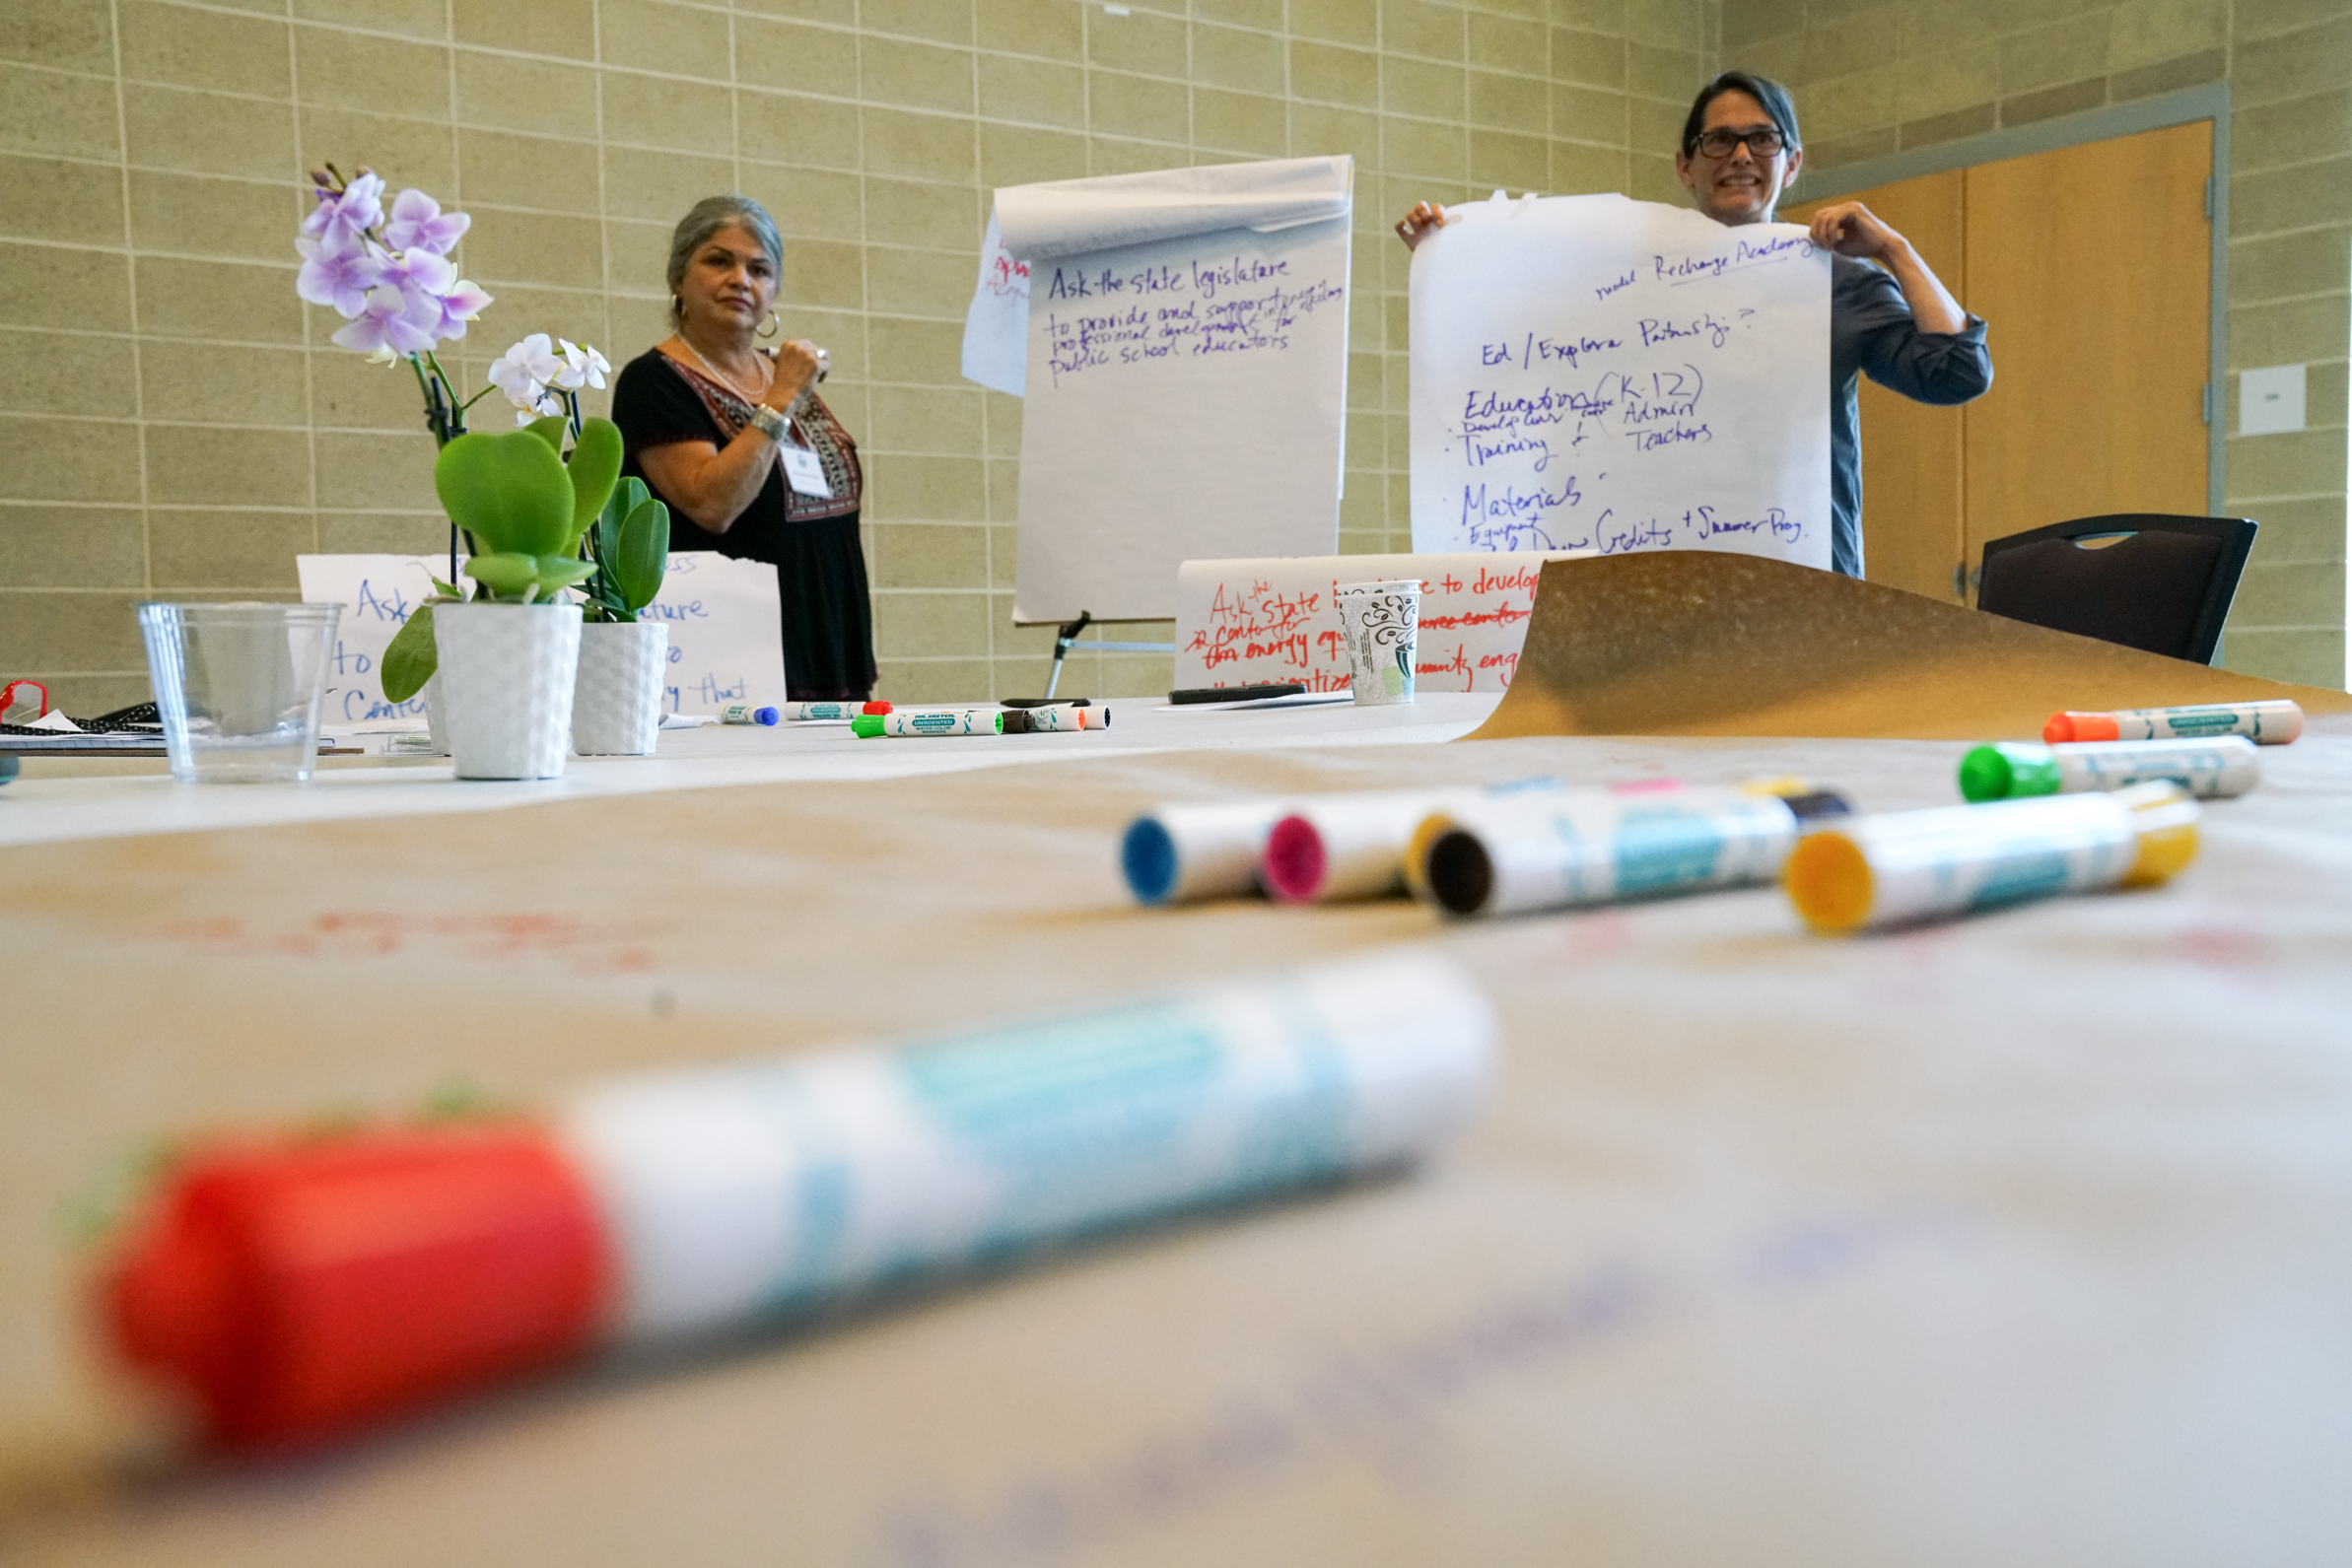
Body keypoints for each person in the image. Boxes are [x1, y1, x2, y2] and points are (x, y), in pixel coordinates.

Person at [1398, 71, 1992, 580]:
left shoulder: (1838, 281)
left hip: (1807, 581)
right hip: (1653, 579)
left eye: (1762, 139)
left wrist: (1895, 249)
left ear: (1793, 164)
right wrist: (1444, 264)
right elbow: (1509, 351)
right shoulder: (1619, 281)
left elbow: (1958, 374)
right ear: (1685, 166)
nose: (1740, 157)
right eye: (1719, 141)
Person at [610, 194, 875, 701]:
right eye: (718, 261)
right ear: (677, 279)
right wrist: (781, 398)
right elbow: (713, 504)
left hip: (827, 640)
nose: (741, 280)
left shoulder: (785, 377)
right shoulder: (654, 381)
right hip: (729, 656)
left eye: (759, 268)